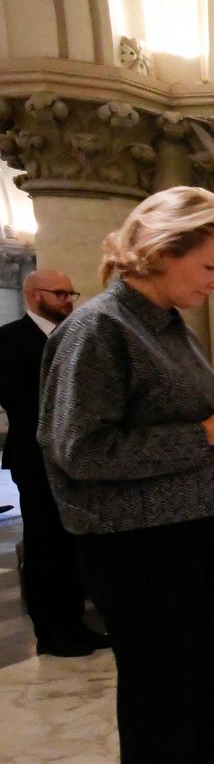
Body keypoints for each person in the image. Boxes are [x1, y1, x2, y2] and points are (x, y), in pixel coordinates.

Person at [37, 186, 214, 764]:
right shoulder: (98, 329)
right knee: (162, 715)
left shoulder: (165, 324)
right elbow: (79, 452)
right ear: (160, 254)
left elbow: (186, 422)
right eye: (208, 267)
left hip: (190, 534)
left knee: (200, 710)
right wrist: (206, 437)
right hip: (137, 550)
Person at [0, 270, 106, 657]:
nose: (68, 299)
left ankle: (76, 622)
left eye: (70, 292)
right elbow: (19, 399)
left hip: (79, 457)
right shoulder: (10, 340)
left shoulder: (77, 336)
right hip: (37, 455)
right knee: (45, 544)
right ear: (32, 295)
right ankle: (51, 631)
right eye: (59, 293)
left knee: (73, 542)